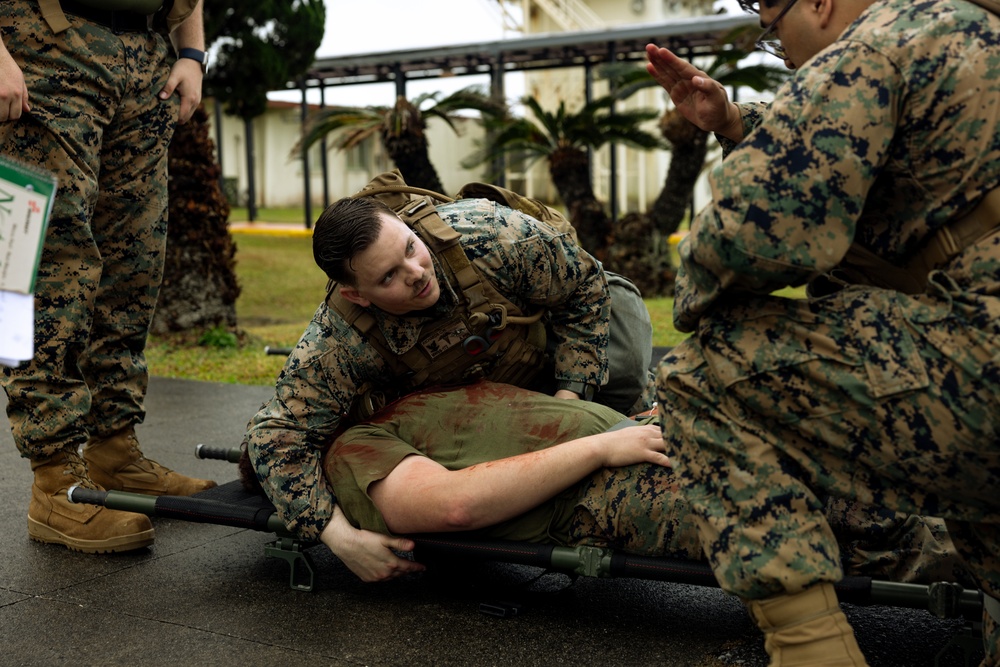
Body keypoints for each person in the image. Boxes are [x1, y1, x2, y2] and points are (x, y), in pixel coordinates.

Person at [646, 0, 1000, 663]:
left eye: (775, 32)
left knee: (704, 376)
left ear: (819, 3)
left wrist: (698, 301)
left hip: (985, 359)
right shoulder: (969, 25)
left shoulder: (875, 43)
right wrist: (733, 124)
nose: (784, 52)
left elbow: (754, 234)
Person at [244, 175, 656, 556]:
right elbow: (275, 434)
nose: (416, 272)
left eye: (410, 247)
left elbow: (584, 285)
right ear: (358, 296)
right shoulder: (339, 338)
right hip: (480, 403)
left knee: (622, 339)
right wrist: (337, 535)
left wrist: (571, 399)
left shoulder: (491, 234)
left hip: (554, 348)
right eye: (389, 276)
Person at [314, 380, 971, 594]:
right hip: (604, 493)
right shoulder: (353, 447)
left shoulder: (401, 398)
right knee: (826, 506)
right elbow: (451, 503)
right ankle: (968, 554)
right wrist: (602, 445)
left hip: (637, 438)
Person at [0, 0, 216, 555]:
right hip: (44, 44)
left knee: (134, 264)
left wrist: (193, 50)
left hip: (146, 57)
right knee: (37, 261)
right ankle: (54, 477)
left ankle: (113, 452)